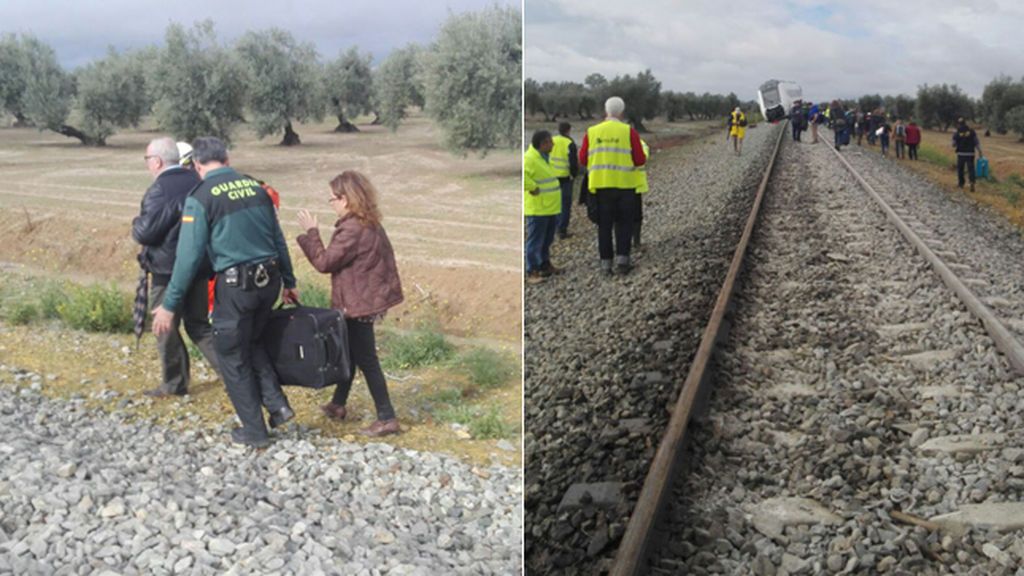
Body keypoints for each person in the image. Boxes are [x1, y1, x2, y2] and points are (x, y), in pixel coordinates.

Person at [152, 136, 299, 448]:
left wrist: (169, 303)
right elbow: (278, 238)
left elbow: (188, 257)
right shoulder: (256, 188)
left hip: (236, 287)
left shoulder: (201, 196)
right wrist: (289, 281)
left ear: (196, 166)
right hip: (269, 281)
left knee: (232, 356)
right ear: (227, 159)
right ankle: (278, 405)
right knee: (253, 341)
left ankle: (255, 432)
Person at [296, 171, 404, 437]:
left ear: (345, 199)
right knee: (351, 353)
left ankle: (387, 418)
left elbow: (324, 262)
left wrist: (311, 233)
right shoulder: (370, 223)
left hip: (358, 304)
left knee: (366, 359)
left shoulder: (353, 229)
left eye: (332, 199)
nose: (331, 204)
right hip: (367, 300)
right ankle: (338, 404)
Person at [132, 137, 221, 398]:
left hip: (168, 270)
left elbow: (145, 233)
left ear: (157, 161)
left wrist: (136, 222)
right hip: (201, 266)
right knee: (199, 325)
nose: (148, 164)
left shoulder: (159, 189)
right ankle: (233, 374)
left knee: (164, 326)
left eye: (148, 159)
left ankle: (174, 383)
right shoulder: (197, 181)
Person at [579, 96, 646, 275]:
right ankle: (623, 262)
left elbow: (582, 159)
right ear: (622, 112)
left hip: (600, 188)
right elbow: (640, 160)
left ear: (605, 111)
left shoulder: (592, 132)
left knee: (604, 226)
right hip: (625, 187)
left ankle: (605, 265)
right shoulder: (628, 131)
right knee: (624, 224)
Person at [524, 130, 561, 284]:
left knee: (547, 239)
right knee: (535, 240)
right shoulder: (530, 158)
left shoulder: (544, 158)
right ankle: (531, 271)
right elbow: (523, 177)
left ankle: (544, 265)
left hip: (550, 207)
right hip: (538, 208)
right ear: (543, 144)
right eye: (550, 142)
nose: (553, 144)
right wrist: (532, 186)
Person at [551, 122, 579, 239]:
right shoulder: (570, 143)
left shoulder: (552, 140)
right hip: (565, 177)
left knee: (554, 203)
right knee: (565, 204)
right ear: (568, 130)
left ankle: (553, 227)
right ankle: (562, 230)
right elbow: (573, 162)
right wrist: (574, 174)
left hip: (552, 176)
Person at [952, 117, 982, 192]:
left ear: (958, 124)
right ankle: (972, 182)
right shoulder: (972, 131)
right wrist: (980, 151)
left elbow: (953, 144)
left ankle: (961, 183)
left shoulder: (957, 132)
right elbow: (976, 142)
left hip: (961, 153)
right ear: (965, 123)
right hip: (970, 153)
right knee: (971, 169)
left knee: (960, 169)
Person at [633, 139, 650, 249]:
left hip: (616, 184)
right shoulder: (639, 142)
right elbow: (643, 158)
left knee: (619, 217)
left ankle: (625, 243)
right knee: (636, 216)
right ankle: (636, 242)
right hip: (635, 184)